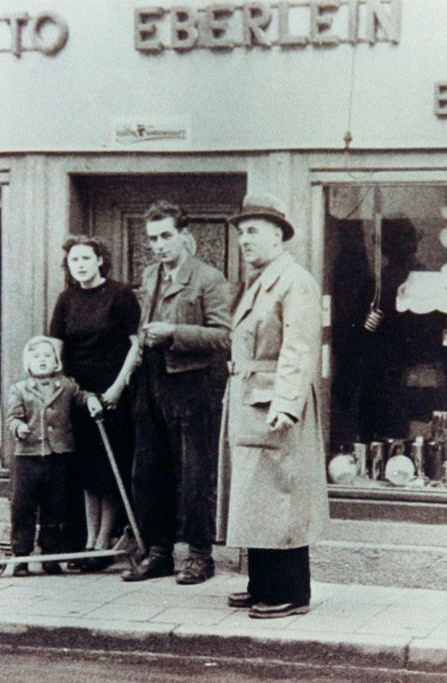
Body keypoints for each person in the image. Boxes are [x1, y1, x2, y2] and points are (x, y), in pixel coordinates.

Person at [216, 193, 330, 618]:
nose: (244, 240)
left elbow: (298, 348)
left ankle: (291, 592)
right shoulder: (261, 280)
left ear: (278, 235)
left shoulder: (294, 281)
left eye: (252, 231)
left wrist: (286, 403)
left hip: (273, 403)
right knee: (255, 497)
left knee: (281, 496)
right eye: (241, 233)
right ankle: (262, 583)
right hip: (251, 400)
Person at [120, 200, 231, 585]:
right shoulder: (151, 274)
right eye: (153, 238)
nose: (159, 245)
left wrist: (174, 333)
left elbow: (225, 336)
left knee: (196, 474)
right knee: (149, 471)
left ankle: (200, 556)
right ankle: (158, 553)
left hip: (193, 384)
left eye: (166, 236)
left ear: (185, 236)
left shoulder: (209, 278)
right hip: (151, 381)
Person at [50, 236, 142, 571]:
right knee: (88, 470)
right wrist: (71, 390)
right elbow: (56, 347)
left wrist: (116, 389)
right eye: (74, 260)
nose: (80, 265)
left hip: (113, 394)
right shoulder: (66, 299)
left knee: (110, 467)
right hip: (79, 395)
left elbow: (136, 345)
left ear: (100, 260)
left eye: (86, 258)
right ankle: (89, 542)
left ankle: (104, 544)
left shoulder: (120, 295)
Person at [5, 336, 102, 576]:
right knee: (23, 507)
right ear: (28, 363)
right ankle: (21, 556)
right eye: (36, 356)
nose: (42, 360)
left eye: (48, 356)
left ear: (57, 362)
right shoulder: (19, 389)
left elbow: (81, 396)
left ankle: (50, 555)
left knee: (55, 506)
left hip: (58, 456)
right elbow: (12, 418)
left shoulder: (66, 386)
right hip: (27, 457)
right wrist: (19, 427)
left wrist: (91, 399)